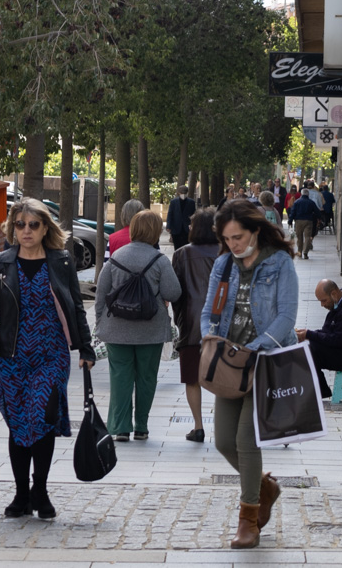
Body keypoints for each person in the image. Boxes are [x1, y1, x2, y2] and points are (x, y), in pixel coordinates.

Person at [0, 197, 95, 520]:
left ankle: (41, 488)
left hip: (51, 356)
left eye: (34, 225)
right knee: (19, 425)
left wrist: (86, 349)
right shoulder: (1, 263)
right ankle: (22, 493)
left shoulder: (62, 261)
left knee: (42, 420)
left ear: (45, 228)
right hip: (11, 357)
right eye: (20, 225)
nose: (26, 231)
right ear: (13, 228)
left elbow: (76, 307)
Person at [201, 199, 297, 549]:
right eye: (227, 239)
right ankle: (266, 488)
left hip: (265, 360)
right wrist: (208, 338)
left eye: (238, 237)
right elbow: (209, 309)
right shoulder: (224, 264)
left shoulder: (280, 263)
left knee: (245, 440)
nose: (233, 245)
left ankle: (248, 521)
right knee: (224, 442)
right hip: (229, 364)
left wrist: (255, 348)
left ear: (256, 230)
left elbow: (286, 316)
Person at [95, 210, 180, 442]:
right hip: (151, 329)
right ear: (155, 232)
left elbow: (101, 292)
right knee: (146, 378)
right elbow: (174, 292)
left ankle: (120, 427)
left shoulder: (116, 256)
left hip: (117, 329)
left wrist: (101, 320)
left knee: (120, 376)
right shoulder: (159, 260)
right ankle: (141, 426)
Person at [171, 207, 220, 443]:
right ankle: (224, 426)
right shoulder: (227, 253)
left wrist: (179, 319)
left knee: (192, 377)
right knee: (225, 374)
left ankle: (198, 426)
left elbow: (176, 293)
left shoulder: (181, 254)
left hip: (191, 323)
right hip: (221, 325)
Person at [290, 189, 319, 259]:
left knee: (299, 237)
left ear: (301, 194)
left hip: (298, 221)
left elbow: (293, 212)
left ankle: (299, 252)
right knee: (307, 237)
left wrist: (290, 220)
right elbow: (317, 212)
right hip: (308, 221)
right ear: (308, 195)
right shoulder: (311, 202)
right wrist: (318, 218)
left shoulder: (297, 202)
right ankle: (305, 252)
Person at [165, 186, 195, 251]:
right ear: (179, 193)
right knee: (177, 247)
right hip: (176, 228)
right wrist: (168, 226)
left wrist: (193, 225)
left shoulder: (191, 202)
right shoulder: (173, 202)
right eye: (182, 193)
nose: (183, 194)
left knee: (187, 247)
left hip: (187, 228)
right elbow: (170, 214)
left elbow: (193, 215)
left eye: (185, 193)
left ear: (187, 193)